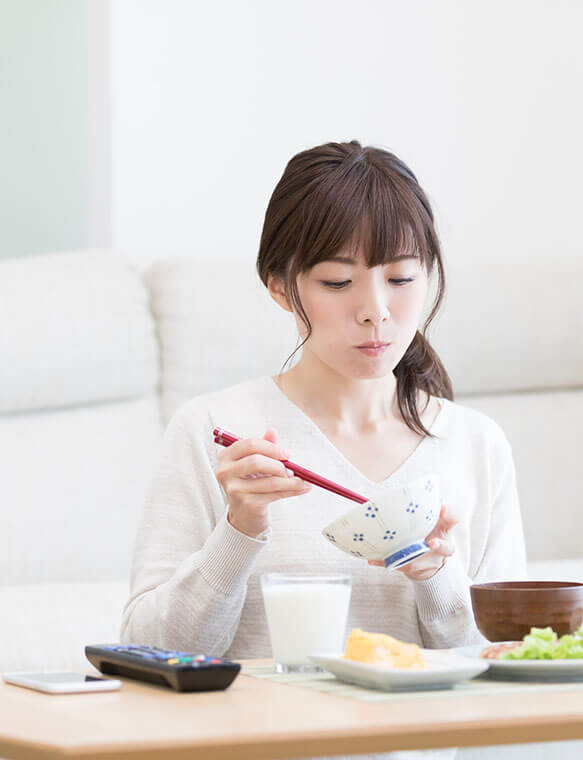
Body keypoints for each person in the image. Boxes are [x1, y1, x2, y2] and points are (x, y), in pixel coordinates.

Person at [121, 139, 527, 760]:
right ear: (282, 288)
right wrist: (239, 530)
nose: (376, 312)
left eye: (401, 278)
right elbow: (146, 652)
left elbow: (504, 669)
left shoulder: (474, 445)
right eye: (338, 282)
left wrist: (436, 577)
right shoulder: (214, 430)